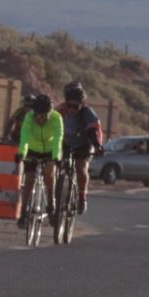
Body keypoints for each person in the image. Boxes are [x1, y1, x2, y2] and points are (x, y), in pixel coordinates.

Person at [15, 93, 63, 228]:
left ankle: (51, 201)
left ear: (50, 112)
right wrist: (21, 154)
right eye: (38, 115)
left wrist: (56, 157)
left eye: (44, 116)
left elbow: (58, 140)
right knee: (29, 179)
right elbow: (24, 137)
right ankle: (24, 212)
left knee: (49, 172)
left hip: (49, 149)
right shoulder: (29, 117)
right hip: (33, 148)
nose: (41, 119)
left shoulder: (56, 118)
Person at [57, 80, 103, 214]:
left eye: (75, 107)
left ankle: (82, 197)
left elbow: (92, 131)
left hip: (85, 143)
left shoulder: (87, 113)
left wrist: (97, 146)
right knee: (56, 163)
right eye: (69, 105)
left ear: (82, 105)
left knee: (81, 167)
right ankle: (58, 193)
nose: (71, 110)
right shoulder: (60, 110)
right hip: (66, 142)